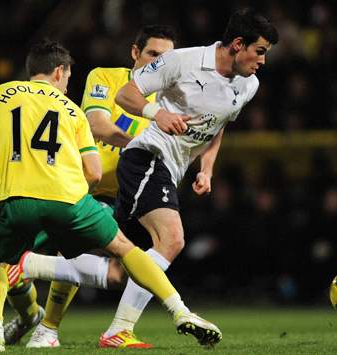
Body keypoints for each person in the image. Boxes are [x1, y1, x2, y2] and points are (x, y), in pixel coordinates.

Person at [0, 39, 221, 352]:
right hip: (72, 199)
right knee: (123, 249)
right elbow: (92, 170)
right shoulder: (73, 108)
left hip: (15, 199)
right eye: (67, 77)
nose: (67, 84)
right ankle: (178, 311)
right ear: (59, 71)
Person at [108, 7, 278, 346]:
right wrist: (157, 113)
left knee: (114, 262)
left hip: (171, 171)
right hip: (147, 157)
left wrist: (207, 168)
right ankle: (120, 330)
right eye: (259, 52)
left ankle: (31, 265)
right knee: (171, 240)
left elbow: (219, 126)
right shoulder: (182, 61)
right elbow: (125, 94)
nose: (262, 61)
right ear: (237, 44)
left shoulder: (250, 85)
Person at [17, 25, 176, 349]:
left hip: (132, 193)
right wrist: (144, 142)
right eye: (153, 55)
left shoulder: (171, 97)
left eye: (167, 58)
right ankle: (44, 322)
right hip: (89, 182)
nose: (159, 63)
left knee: (122, 272)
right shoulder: (106, 77)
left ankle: (34, 291)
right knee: (77, 251)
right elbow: (97, 125)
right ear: (135, 52)